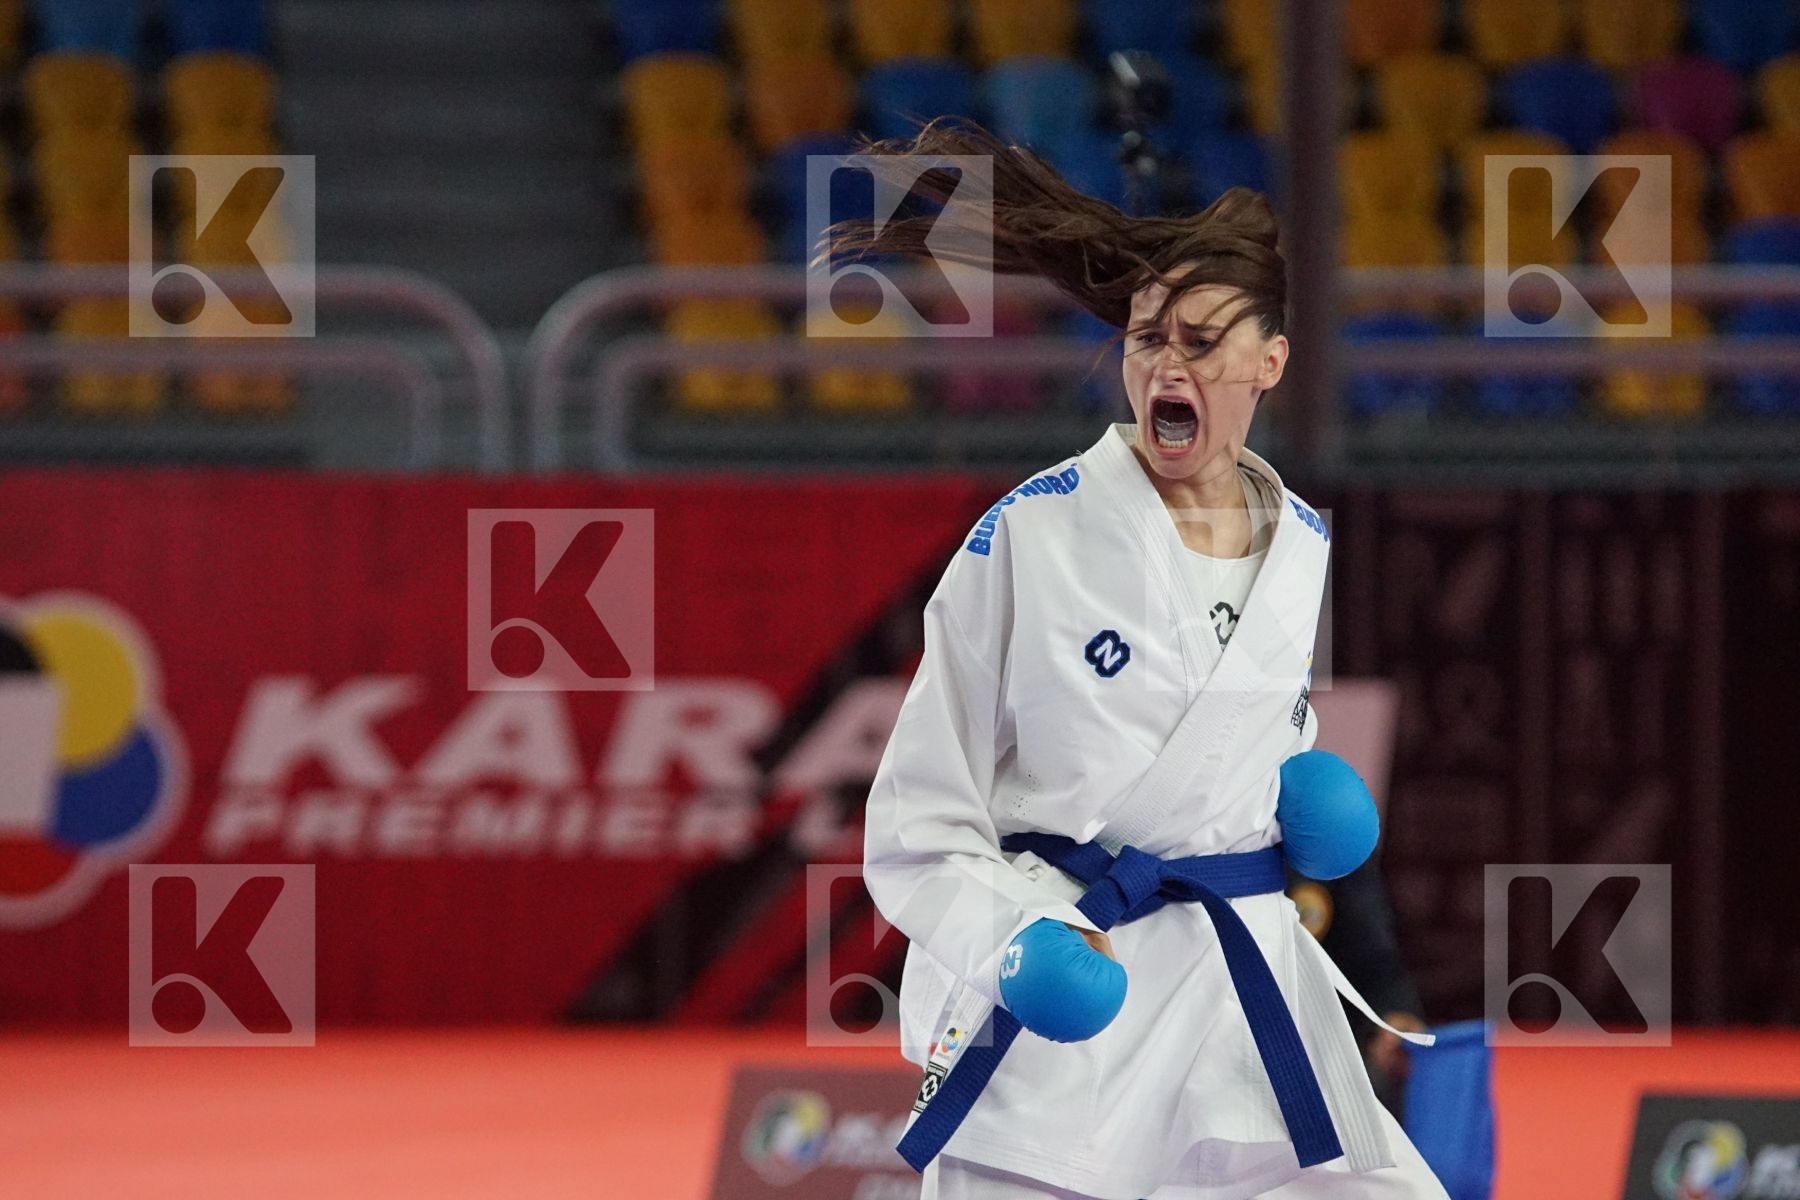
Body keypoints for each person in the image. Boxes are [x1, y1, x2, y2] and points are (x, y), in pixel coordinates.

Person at [852, 123, 1449, 1200]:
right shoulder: (1031, 537)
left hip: (1240, 990)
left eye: (1202, 343)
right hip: (1078, 989)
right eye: (1146, 340)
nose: (1168, 366)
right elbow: (913, 824)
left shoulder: (1298, 540)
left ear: (1270, 363)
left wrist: (1294, 785)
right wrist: (1015, 941)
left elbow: (1220, 730)